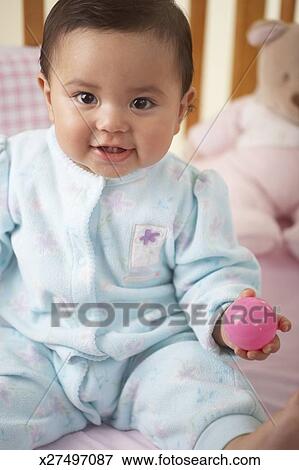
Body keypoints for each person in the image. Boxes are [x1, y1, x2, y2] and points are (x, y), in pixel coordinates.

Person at [0, 0, 297, 450]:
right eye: (85, 98)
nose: (111, 121)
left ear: (181, 109)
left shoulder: (190, 192)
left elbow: (211, 273)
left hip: (150, 351)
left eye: (142, 102)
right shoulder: (17, 168)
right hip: (36, 345)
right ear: (47, 95)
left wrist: (227, 316)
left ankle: (246, 448)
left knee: (201, 390)